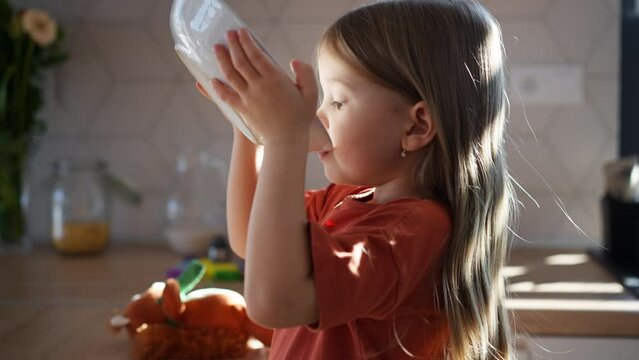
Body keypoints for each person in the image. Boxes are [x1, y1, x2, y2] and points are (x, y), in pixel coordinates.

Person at [195, 0, 517, 359]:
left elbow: (275, 301)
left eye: (338, 101)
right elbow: (248, 239)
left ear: (416, 125)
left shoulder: (414, 233)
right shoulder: (348, 199)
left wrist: (284, 137)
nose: (319, 113)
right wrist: (250, 128)